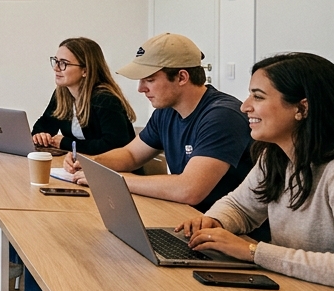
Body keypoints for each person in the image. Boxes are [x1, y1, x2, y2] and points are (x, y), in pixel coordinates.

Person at [180, 54, 334, 291]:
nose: (245, 106)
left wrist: (253, 252)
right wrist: (215, 222)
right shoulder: (276, 156)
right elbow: (240, 206)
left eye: (258, 97)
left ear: (302, 108)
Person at [0, 37, 139, 291]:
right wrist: (42, 136)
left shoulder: (104, 99)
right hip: (78, 174)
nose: (57, 68)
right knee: (26, 201)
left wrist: (62, 143)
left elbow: (117, 146)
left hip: (110, 181)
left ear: (86, 69)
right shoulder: (64, 94)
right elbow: (42, 126)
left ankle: (37, 287)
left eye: (64, 63)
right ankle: (15, 263)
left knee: (43, 216)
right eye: (55, 61)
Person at [63, 33, 253, 212]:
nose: (141, 89)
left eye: (149, 80)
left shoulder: (223, 116)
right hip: (187, 217)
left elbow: (189, 189)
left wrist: (109, 179)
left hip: (230, 232)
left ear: (182, 77)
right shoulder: (166, 112)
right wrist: (90, 163)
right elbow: (131, 155)